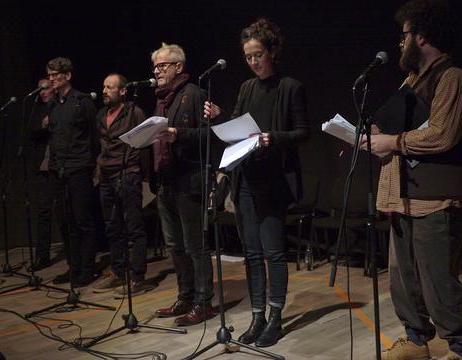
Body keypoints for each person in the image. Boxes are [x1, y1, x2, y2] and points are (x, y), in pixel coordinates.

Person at [359, 1, 462, 359]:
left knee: (437, 281)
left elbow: (443, 134)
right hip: (402, 195)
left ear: (422, 36)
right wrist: (374, 138)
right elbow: (401, 128)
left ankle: (460, 348)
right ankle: (416, 341)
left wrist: (392, 141)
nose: (400, 43)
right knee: (403, 278)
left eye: (405, 35)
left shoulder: (451, 77)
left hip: (435, 196)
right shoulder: (412, 79)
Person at [204, 18, 309, 347]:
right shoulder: (247, 87)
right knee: (251, 253)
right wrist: (221, 117)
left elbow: (303, 132)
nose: (252, 62)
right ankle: (257, 316)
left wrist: (271, 138)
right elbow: (237, 125)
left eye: (257, 55)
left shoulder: (291, 86)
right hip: (246, 179)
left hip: (274, 180)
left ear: (272, 51)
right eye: (247, 56)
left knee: (273, 253)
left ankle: (276, 317)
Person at [150, 43, 215, 326]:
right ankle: (185, 296)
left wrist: (180, 135)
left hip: (189, 181)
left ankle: (203, 302)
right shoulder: (161, 100)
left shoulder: (194, 94)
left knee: (195, 246)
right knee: (175, 245)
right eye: (154, 66)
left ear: (178, 66)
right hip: (166, 181)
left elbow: (210, 135)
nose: (156, 71)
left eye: (162, 65)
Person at [91, 73, 153, 296]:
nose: (105, 91)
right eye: (104, 87)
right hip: (106, 176)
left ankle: (138, 278)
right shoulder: (101, 115)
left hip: (127, 174)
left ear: (123, 90)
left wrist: (141, 174)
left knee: (134, 227)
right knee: (112, 227)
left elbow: (144, 145)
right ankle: (118, 274)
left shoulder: (134, 112)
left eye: (110, 87)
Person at [45, 57, 99, 288]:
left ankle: (87, 269)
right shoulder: (54, 104)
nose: (50, 79)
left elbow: (93, 136)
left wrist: (91, 165)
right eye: (48, 75)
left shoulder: (82, 102)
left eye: (54, 74)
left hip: (79, 168)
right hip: (58, 170)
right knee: (65, 222)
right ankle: (73, 267)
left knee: (82, 221)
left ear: (67, 76)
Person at [28, 78, 69, 271]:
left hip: (62, 166)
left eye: (46, 88)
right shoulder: (37, 109)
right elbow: (31, 130)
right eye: (40, 89)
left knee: (66, 212)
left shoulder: (62, 106)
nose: (42, 92)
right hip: (44, 169)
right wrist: (43, 124)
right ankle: (41, 256)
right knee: (43, 212)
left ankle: (73, 255)